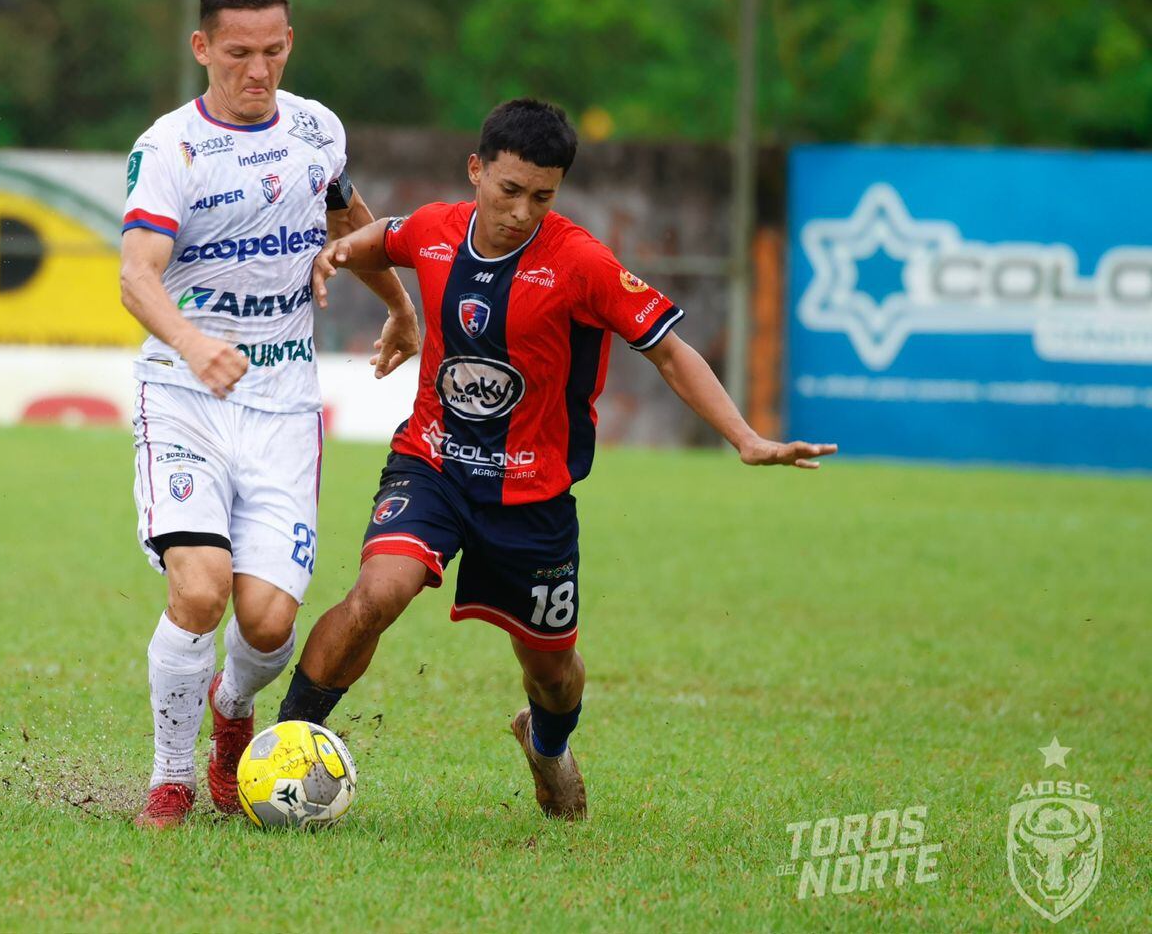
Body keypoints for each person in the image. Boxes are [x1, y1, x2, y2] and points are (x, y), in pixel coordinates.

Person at [278, 99, 837, 819]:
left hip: (533, 496)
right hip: (434, 463)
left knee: (551, 671)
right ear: (476, 171)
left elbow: (668, 350)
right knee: (377, 594)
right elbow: (385, 236)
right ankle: (286, 744)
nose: (521, 211)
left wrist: (746, 437)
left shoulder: (579, 262)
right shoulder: (439, 230)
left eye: (541, 196)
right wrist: (333, 255)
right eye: (508, 190)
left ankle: (546, 746)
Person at [117, 0, 419, 828]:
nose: (259, 70)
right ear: (202, 48)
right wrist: (191, 341)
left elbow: (346, 217)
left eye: (274, 51)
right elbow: (137, 276)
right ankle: (170, 780)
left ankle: (232, 713)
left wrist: (399, 307)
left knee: (266, 621)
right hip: (182, 396)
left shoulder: (317, 129)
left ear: (291, 43)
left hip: (285, 404)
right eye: (240, 53)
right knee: (202, 589)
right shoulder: (170, 149)